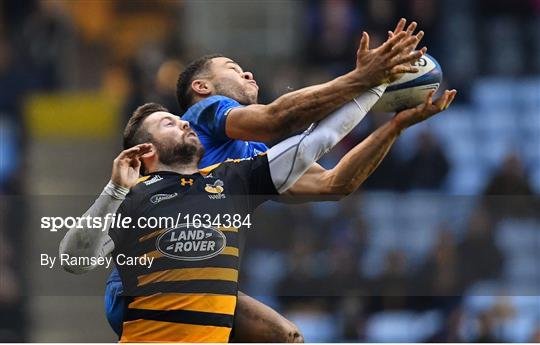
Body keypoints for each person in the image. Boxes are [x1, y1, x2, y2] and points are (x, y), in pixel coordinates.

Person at [101, 18, 428, 341]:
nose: (247, 72)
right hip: (145, 282)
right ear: (202, 87)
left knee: (286, 336)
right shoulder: (200, 115)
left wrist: (393, 127)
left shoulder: (251, 157)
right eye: (232, 67)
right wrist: (362, 79)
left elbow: (336, 183)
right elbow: (277, 119)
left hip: (199, 280)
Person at [60, 81, 455, 341]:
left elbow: (317, 141)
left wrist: (378, 88)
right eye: (168, 123)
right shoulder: (134, 196)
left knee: (290, 338)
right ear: (144, 151)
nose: (183, 125)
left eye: (181, 120)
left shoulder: (232, 178)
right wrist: (113, 189)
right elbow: (74, 261)